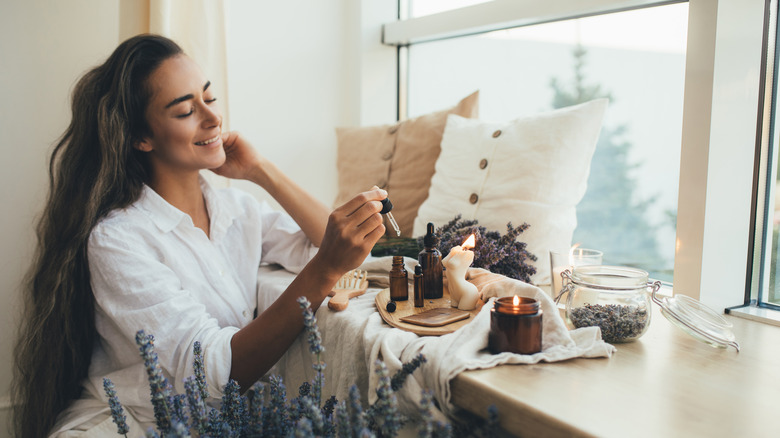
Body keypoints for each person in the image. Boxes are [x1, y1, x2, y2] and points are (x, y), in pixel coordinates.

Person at [11, 34, 386, 437]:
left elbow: (336, 249)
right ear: (142, 137)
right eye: (186, 110)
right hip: (131, 424)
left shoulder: (236, 210)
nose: (212, 118)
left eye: (210, 98)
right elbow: (217, 373)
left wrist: (261, 171)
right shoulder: (118, 239)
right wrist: (327, 267)